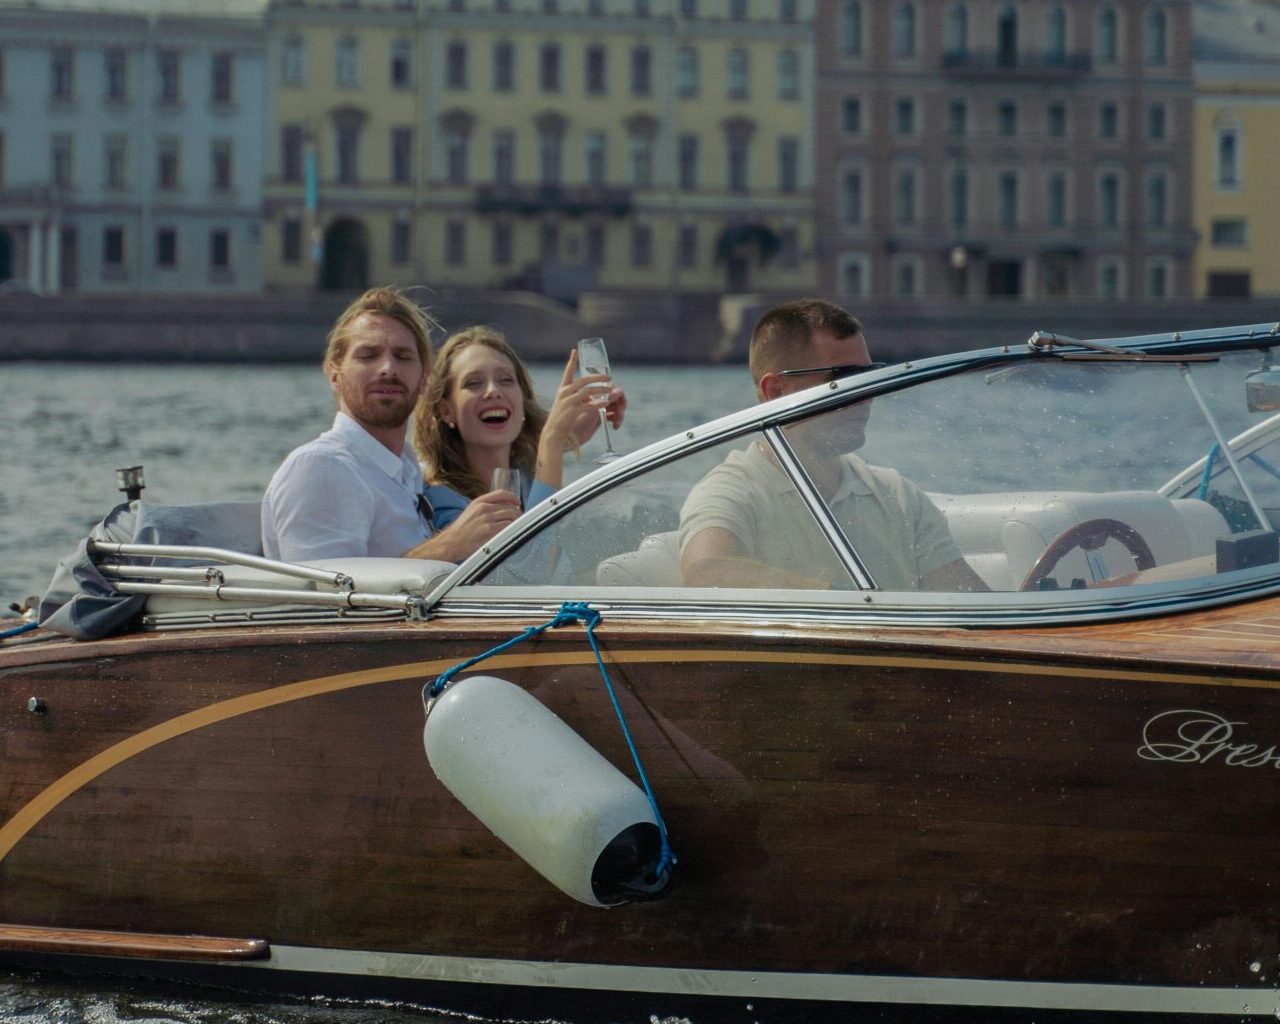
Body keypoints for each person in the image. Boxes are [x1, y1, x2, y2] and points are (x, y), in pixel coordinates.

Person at [678, 298, 988, 592]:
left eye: (868, 377)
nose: (865, 394)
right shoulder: (732, 490)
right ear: (776, 392)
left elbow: (969, 599)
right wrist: (838, 597)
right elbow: (707, 573)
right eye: (845, 379)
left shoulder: (897, 495)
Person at [261, 287, 521, 563]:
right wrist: (449, 545)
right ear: (334, 375)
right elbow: (323, 598)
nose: (387, 368)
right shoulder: (323, 466)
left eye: (403, 356)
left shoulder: (407, 473)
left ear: (424, 379)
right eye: (368, 355)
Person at [414, 325, 624, 524]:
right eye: (473, 383)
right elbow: (532, 558)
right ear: (446, 411)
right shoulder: (440, 499)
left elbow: (555, 444)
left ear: (522, 402)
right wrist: (552, 438)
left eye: (505, 380)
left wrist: (589, 412)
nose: (493, 391)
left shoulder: (526, 479)